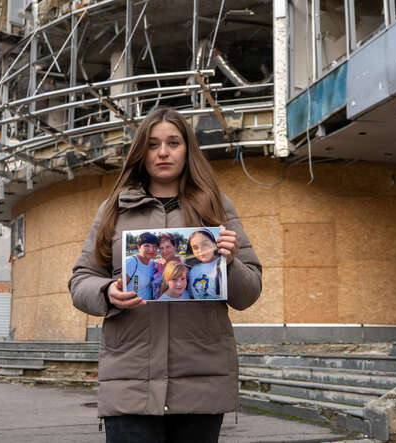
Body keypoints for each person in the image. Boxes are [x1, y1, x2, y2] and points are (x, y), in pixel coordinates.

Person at [69, 107, 262, 443]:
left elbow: (249, 293)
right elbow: (80, 279)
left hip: (201, 382)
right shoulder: (113, 209)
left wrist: (228, 263)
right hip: (129, 382)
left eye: (173, 142)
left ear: (188, 149)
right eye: (153, 143)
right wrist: (106, 292)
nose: (163, 152)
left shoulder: (216, 206)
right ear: (141, 151)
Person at [186, 229, 222, 300]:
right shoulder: (193, 270)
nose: (200, 250)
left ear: (214, 245)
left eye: (205, 244)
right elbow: (192, 295)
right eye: (195, 247)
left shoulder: (222, 264)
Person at [125, 231, 159, 301]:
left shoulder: (153, 263)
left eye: (154, 246)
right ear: (139, 247)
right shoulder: (130, 262)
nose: (151, 250)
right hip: (133, 306)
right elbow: (120, 288)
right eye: (147, 246)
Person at [151, 233, 182, 299]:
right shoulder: (155, 264)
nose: (164, 251)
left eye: (167, 247)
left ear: (175, 246)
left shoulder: (183, 265)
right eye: (161, 248)